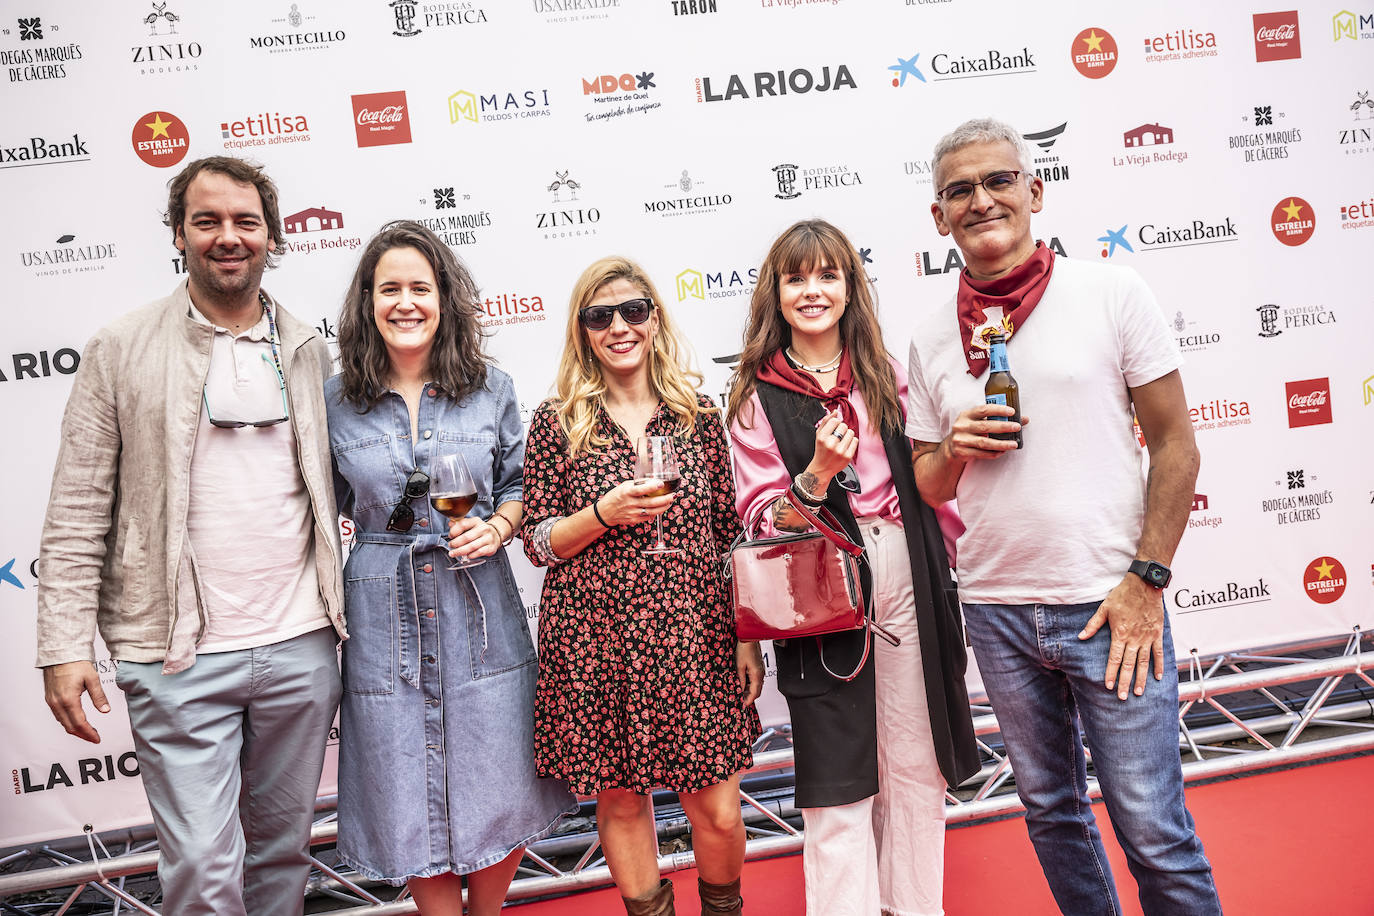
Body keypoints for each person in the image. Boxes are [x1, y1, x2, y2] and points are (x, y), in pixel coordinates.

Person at [906, 118, 1221, 915]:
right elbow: (928, 484)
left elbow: (1177, 446)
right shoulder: (932, 334)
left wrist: (1147, 581)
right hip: (997, 609)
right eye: (959, 191)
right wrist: (955, 446)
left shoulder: (1112, 292)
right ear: (938, 216)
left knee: (1152, 825)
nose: (982, 200)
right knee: (1051, 815)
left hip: (1110, 605)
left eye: (998, 181)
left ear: (1034, 190)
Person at [34, 156, 347, 916]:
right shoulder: (121, 347)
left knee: (282, 854)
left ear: (272, 236)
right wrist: (63, 644)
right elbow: (77, 510)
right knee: (204, 871)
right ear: (179, 233)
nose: (228, 237)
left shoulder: (308, 347)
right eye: (207, 221)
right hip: (173, 656)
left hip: (301, 643)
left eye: (245, 222)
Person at [726, 218, 980, 916]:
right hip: (820, 585)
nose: (813, 291)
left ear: (849, 286)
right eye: (797, 277)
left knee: (914, 764)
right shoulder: (755, 396)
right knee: (838, 781)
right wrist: (815, 476)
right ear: (775, 294)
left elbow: (932, 483)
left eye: (828, 275)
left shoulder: (885, 373)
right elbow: (758, 520)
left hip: (906, 565)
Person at [326, 221, 575, 915]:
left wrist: (496, 526)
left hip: (478, 602)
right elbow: (321, 509)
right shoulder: (337, 400)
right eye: (389, 289)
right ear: (368, 303)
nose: (405, 303)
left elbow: (525, 486)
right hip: (384, 613)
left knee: (497, 769)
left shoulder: (489, 388)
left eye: (420, 288)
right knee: (402, 779)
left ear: (444, 299)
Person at [522, 256, 763, 916]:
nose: (619, 327)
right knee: (622, 803)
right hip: (594, 637)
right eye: (600, 316)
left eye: (633, 311)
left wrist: (747, 638)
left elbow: (729, 535)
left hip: (693, 633)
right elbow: (538, 541)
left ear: (655, 319)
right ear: (582, 330)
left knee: (717, 811)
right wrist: (604, 514)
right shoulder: (555, 420)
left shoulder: (697, 415)